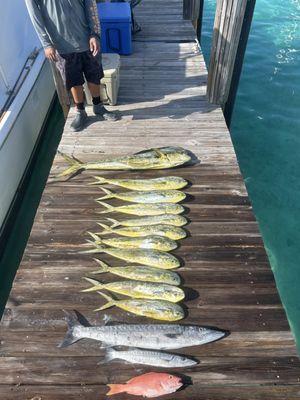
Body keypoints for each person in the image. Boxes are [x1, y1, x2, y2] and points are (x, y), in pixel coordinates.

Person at [25, 0, 118, 131]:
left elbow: (91, 6)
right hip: (61, 44)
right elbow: (35, 17)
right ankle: (80, 112)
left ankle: (98, 106)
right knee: (73, 80)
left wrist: (94, 34)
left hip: (87, 39)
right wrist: (46, 44)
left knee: (94, 74)